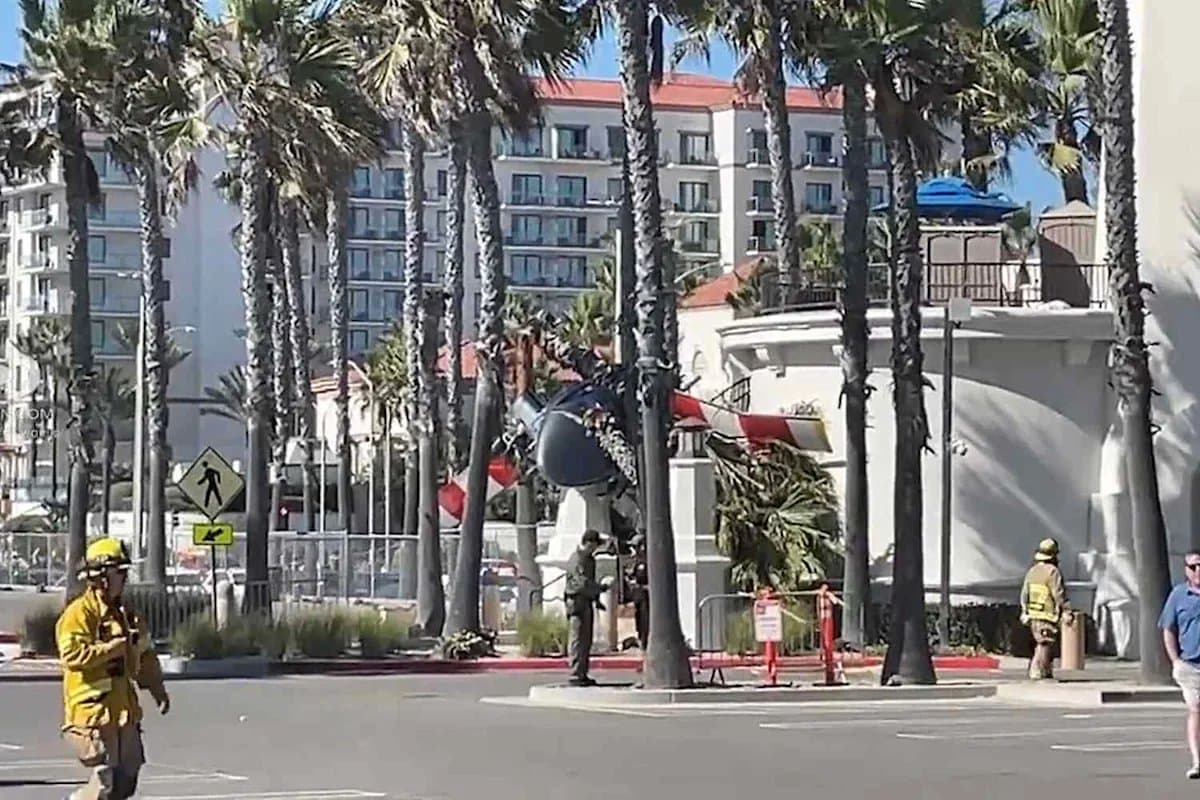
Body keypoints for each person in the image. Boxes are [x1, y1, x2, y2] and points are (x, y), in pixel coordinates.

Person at [57, 537, 170, 799]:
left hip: (124, 710)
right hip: (94, 712)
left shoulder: (128, 615)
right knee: (103, 780)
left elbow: (145, 655)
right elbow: (71, 654)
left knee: (127, 776)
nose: (124, 578)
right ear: (101, 577)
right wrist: (112, 649)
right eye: (119, 572)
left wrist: (157, 690)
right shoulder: (79, 614)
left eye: (124, 572)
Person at [1159, 550, 1200, 779]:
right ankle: (1197, 761)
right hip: (1190, 665)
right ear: (1186, 570)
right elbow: (1168, 629)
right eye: (1192, 567)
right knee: (1196, 710)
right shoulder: (1178, 595)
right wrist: (1175, 660)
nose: (1197, 570)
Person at [1019, 537, 1071, 680]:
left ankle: (1045, 671)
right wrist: (1066, 611)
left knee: (1041, 642)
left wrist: (1025, 611)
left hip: (1033, 614)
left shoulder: (1032, 571)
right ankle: (1038, 671)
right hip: (1047, 615)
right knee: (1045, 643)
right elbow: (1058, 594)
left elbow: (1025, 593)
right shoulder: (1053, 572)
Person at [564, 529, 609, 686]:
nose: (597, 548)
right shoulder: (577, 559)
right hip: (576, 602)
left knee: (586, 639)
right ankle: (575, 673)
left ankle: (582, 672)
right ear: (589, 543)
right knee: (577, 638)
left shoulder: (589, 559)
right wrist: (600, 588)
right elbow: (582, 583)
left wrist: (596, 599)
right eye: (596, 544)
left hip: (586, 601)